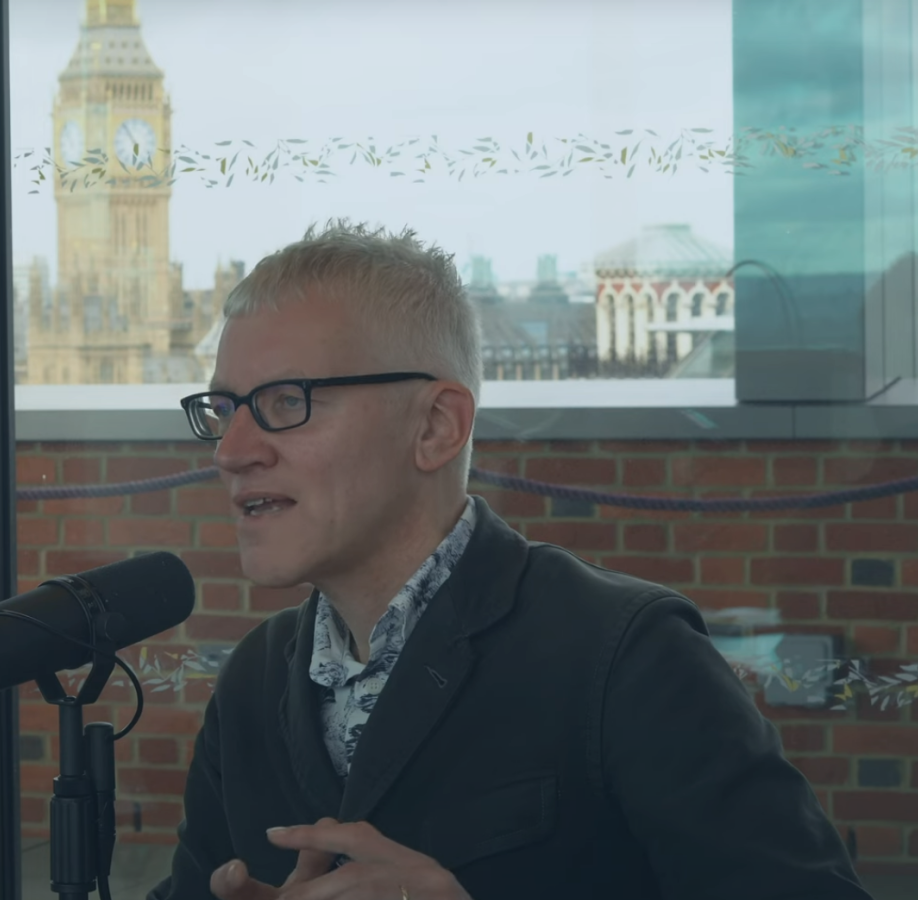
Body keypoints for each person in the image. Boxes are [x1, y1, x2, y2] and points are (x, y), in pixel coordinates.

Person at [151, 221, 872, 900]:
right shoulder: (252, 680)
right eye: (223, 407)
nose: (232, 450)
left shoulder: (625, 656)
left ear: (436, 427)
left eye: (285, 401)